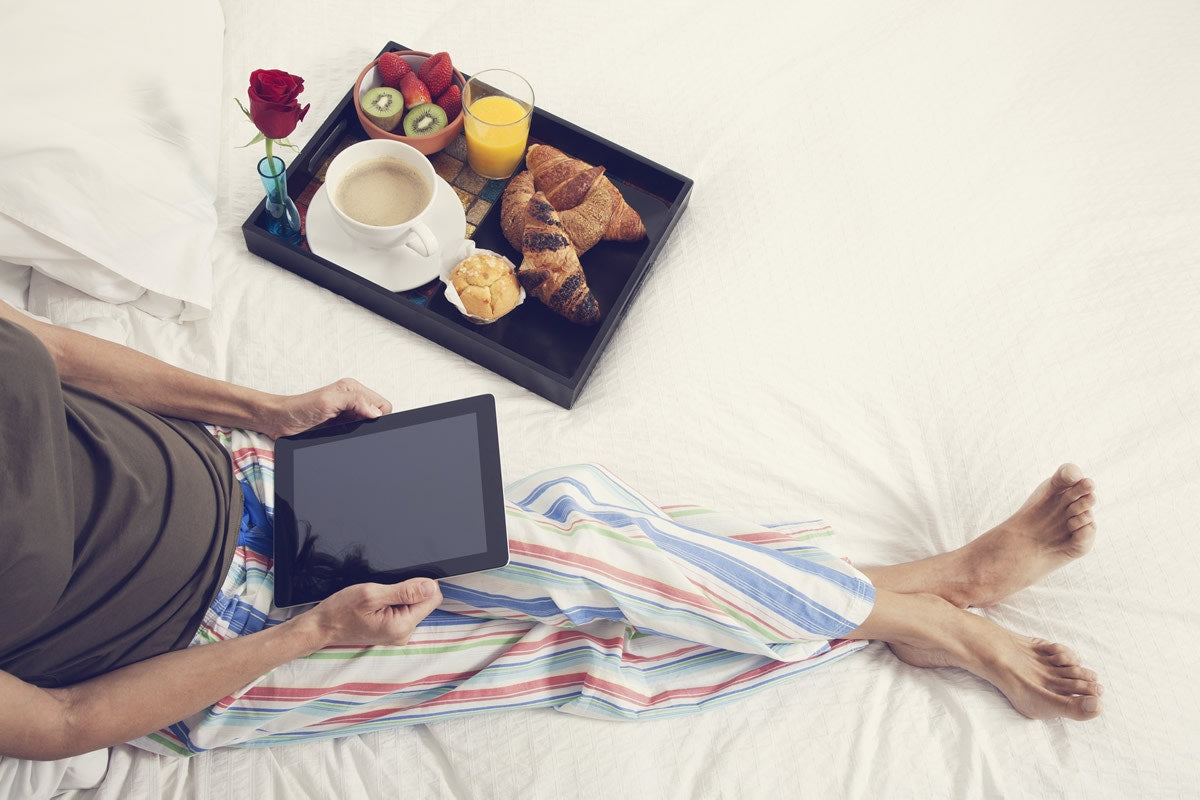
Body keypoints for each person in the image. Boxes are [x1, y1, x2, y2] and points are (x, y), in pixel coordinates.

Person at [0, 299, 1102, 761]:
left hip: (252, 476)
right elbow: (59, 719)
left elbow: (57, 351)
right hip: (213, 645)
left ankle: (903, 594)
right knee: (572, 630)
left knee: (572, 521)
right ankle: (927, 612)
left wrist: (265, 411)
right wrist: (311, 633)